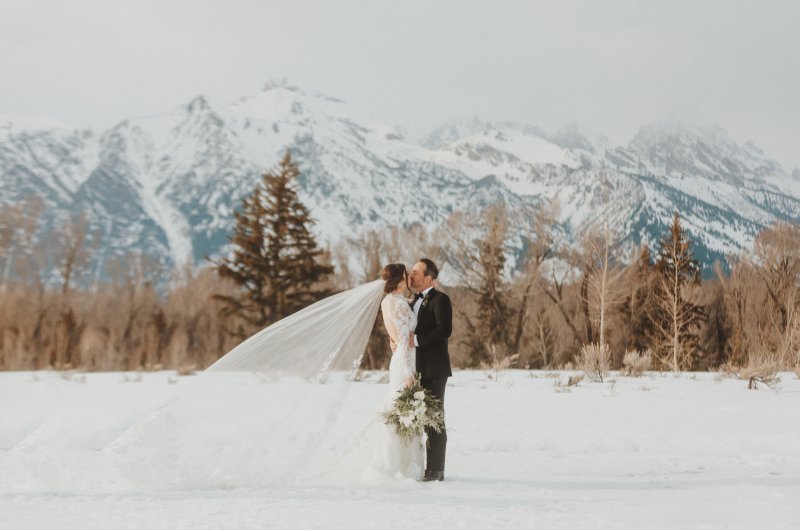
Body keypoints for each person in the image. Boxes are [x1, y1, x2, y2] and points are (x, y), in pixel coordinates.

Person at [394, 258, 452, 482]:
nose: (412, 275)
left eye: (417, 272)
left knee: (435, 418)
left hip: (435, 368)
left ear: (430, 278)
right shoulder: (411, 302)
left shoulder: (441, 300)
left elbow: (444, 330)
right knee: (421, 418)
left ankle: (437, 470)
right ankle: (425, 468)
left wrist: (416, 340)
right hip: (416, 369)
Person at [369, 263, 424, 480]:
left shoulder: (389, 302)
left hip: (398, 360)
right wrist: (409, 372)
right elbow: (402, 340)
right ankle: (402, 465)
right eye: (406, 275)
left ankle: (396, 461)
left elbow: (395, 332)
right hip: (405, 362)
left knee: (398, 408)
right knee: (404, 411)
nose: (409, 277)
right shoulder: (400, 305)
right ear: (399, 280)